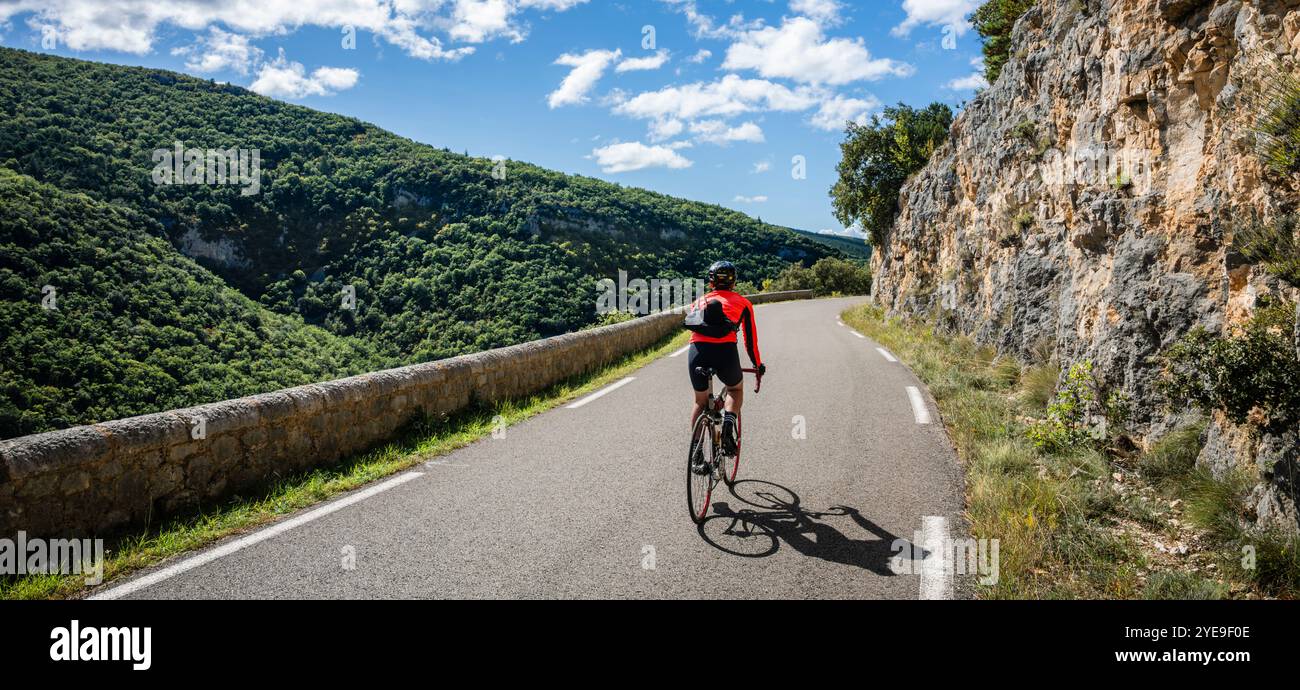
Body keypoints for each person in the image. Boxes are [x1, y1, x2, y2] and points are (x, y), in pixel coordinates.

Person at [683, 260, 765, 459]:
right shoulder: (743, 303)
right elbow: (750, 340)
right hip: (725, 352)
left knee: (700, 401)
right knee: (735, 389)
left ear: (711, 283)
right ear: (733, 282)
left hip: (698, 351)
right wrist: (757, 364)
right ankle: (728, 423)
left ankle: (696, 453)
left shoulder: (699, 301)